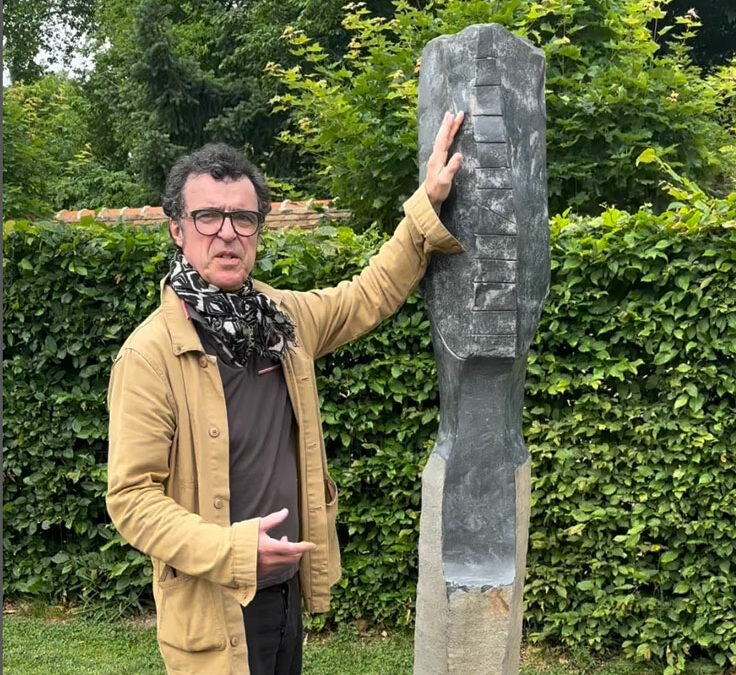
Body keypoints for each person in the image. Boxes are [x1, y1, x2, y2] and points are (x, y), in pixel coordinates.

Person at [106, 111, 465, 675]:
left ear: (258, 229)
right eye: (207, 217)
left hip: (285, 592)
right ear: (177, 229)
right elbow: (131, 499)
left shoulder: (283, 319)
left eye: (243, 218)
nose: (227, 233)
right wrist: (233, 551)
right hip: (214, 605)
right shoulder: (150, 356)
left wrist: (428, 202)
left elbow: (368, 293)